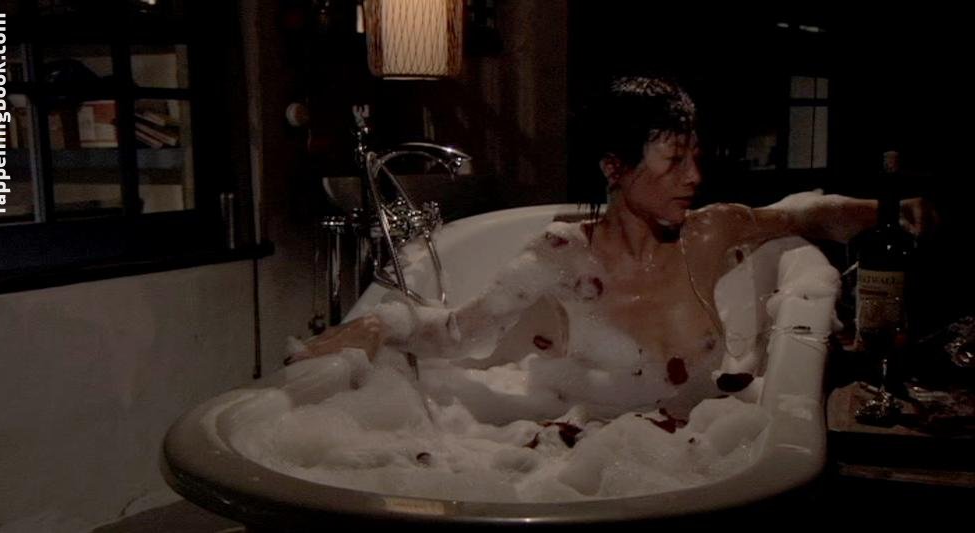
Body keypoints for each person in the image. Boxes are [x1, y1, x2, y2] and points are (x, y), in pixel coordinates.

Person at [285, 76, 932, 417]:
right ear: (615, 168)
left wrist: (891, 209)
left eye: (696, 157)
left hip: (695, 445)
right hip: (594, 456)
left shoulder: (710, 233)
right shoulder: (562, 255)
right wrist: (381, 322)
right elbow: (459, 334)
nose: (694, 177)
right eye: (674, 161)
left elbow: (802, 215)